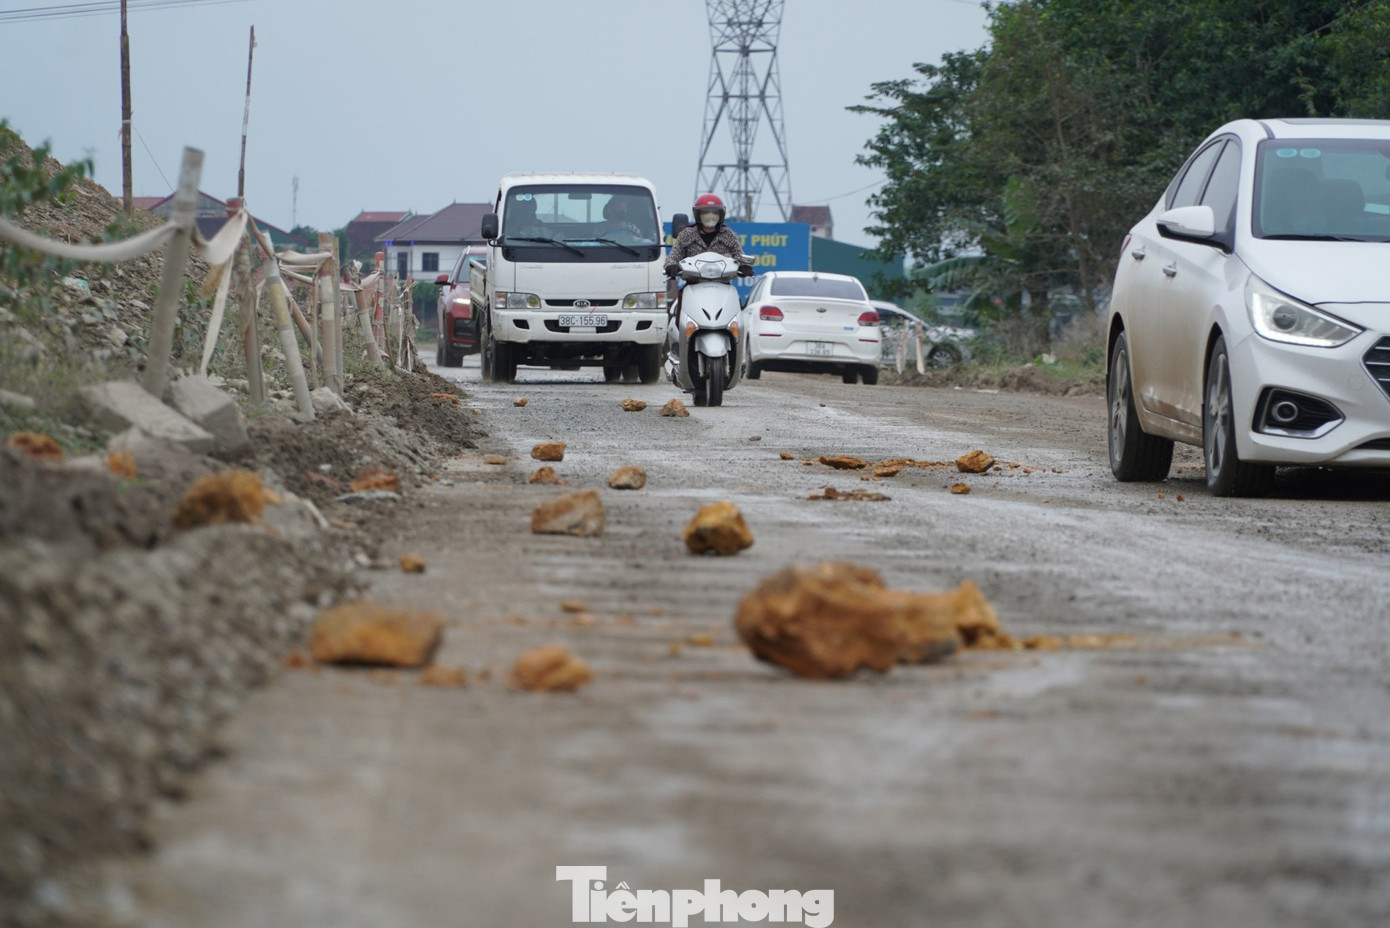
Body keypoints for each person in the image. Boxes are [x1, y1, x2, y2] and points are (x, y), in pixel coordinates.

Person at [664, 193, 754, 278]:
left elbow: (739, 255)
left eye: (715, 212)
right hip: (693, 284)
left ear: (720, 215)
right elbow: (673, 257)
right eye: (706, 212)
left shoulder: (728, 235)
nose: (710, 215)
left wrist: (744, 266)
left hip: (723, 284)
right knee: (680, 294)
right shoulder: (686, 235)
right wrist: (671, 266)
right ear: (698, 215)